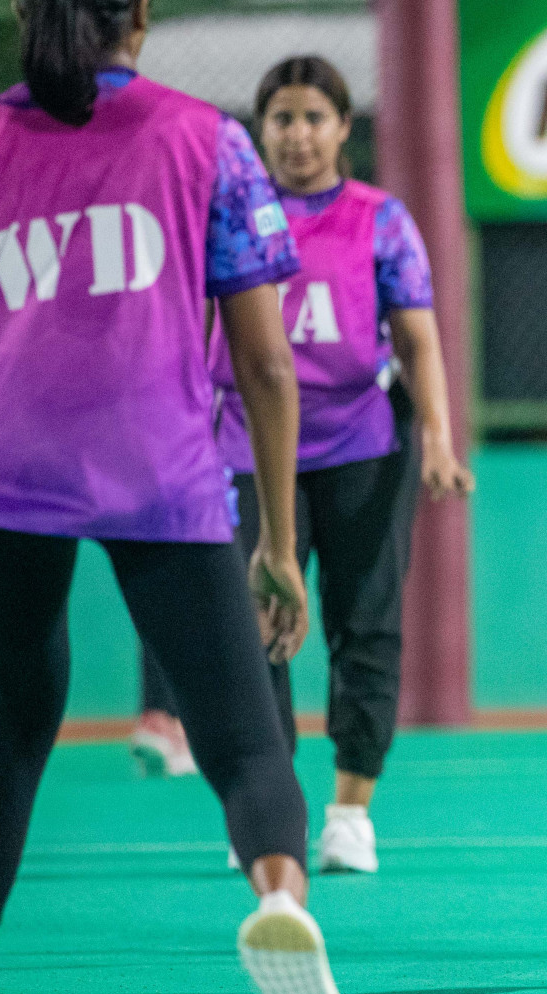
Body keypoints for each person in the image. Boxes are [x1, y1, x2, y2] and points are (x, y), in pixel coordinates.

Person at [0, 2, 356, 994]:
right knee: (243, 734)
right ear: (140, 19)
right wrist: (279, 541)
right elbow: (267, 362)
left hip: (9, 465)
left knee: (11, 728)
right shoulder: (207, 139)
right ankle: (281, 896)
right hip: (159, 462)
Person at [139, 54, 473, 875]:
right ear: (261, 131)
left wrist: (437, 435)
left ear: (341, 129)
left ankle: (351, 811)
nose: (296, 134)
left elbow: (420, 339)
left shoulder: (380, 219)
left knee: (365, 624)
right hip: (243, 449)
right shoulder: (225, 214)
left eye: (313, 117)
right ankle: (268, 805)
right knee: (253, 627)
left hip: (361, 447)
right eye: (281, 118)